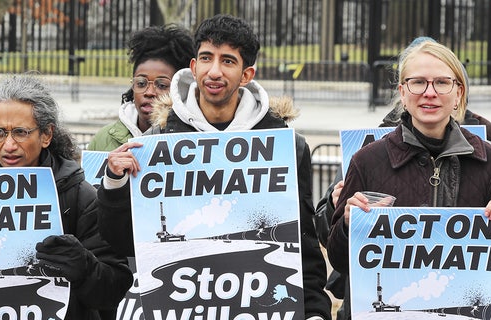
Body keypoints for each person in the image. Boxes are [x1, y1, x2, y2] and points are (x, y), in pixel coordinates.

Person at [97, 14, 332, 320]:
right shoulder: (157, 143)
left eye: (228, 61)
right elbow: (124, 243)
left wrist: (314, 311)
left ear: (246, 74)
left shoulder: (286, 147)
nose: (214, 71)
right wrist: (114, 184)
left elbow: (302, 245)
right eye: (206, 58)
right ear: (193, 67)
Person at [324, 40, 491, 319]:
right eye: (418, 82)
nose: (429, 93)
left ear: (458, 93)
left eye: (442, 83)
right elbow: (340, 261)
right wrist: (349, 225)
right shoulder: (365, 161)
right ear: (402, 93)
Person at [0, 74, 132, 319]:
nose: (8, 145)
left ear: (46, 135)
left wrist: (85, 268)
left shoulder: (81, 198)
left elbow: (114, 290)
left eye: (20, 132)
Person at [87, 24, 194, 150]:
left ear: (179, 89)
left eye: (162, 85)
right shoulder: (103, 140)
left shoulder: (194, 138)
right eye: (141, 84)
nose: (149, 92)